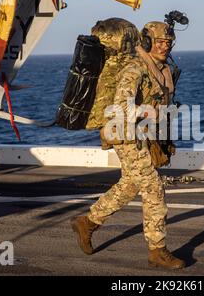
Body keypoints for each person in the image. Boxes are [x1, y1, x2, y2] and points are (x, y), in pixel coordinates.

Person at [70, 21, 185, 270]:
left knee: (130, 185)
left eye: (168, 43)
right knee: (153, 188)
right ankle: (157, 250)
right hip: (124, 133)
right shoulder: (135, 68)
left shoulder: (160, 68)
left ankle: (88, 223)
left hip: (142, 134)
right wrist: (148, 112)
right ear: (146, 42)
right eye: (160, 42)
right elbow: (120, 107)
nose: (165, 47)